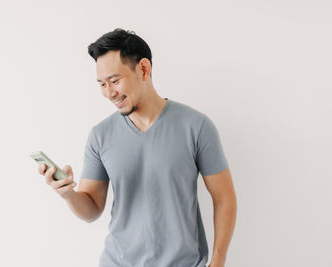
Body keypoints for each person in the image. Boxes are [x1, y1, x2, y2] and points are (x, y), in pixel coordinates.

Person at [38, 28, 237, 267]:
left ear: (144, 69)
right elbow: (92, 210)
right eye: (101, 84)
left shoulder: (196, 126)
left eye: (114, 80)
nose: (109, 93)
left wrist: (218, 261)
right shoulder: (100, 136)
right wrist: (67, 193)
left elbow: (224, 198)